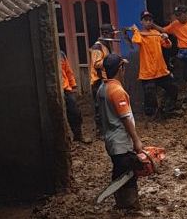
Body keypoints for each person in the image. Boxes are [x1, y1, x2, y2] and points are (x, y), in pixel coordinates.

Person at [97, 53, 146, 208]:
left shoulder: (102, 88)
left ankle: (121, 203)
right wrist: (137, 140)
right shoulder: (117, 91)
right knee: (128, 175)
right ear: (120, 69)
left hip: (111, 139)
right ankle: (130, 205)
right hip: (121, 141)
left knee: (119, 172)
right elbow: (125, 118)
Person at [130, 11, 179, 117]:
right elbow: (136, 41)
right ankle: (152, 116)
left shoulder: (156, 34)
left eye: (150, 20)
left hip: (161, 70)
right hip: (147, 72)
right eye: (145, 20)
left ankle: (167, 108)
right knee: (149, 94)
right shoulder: (140, 35)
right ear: (141, 22)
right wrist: (135, 31)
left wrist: (166, 38)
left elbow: (167, 46)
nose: (148, 22)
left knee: (173, 88)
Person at [89, 23, 116, 134]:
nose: (114, 35)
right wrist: (112, 60)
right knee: (99, 106)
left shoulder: (107, 44)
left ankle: (108, 127)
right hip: (98, 80)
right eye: (112, 32)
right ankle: (100, 130)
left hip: (105, 79)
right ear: (106, 33)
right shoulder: (97, 47)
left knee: (107, 105)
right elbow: (96, 64)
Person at [59, 50, 87, 142]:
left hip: (66, 89)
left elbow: (68, 71)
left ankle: (78, 135)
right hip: (57, 90)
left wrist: (73, 84)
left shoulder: (61, 54)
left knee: (75, 112)